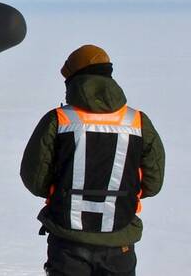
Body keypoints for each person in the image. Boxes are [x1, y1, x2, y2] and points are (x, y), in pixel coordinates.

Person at [20, 44, 165, 275]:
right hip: (120, 245)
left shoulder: (58, 120)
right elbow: (153, 183)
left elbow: (34, 179)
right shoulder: (138, 122)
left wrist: (65, 191)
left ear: (74, 80)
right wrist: (120, 195)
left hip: (68, 245)